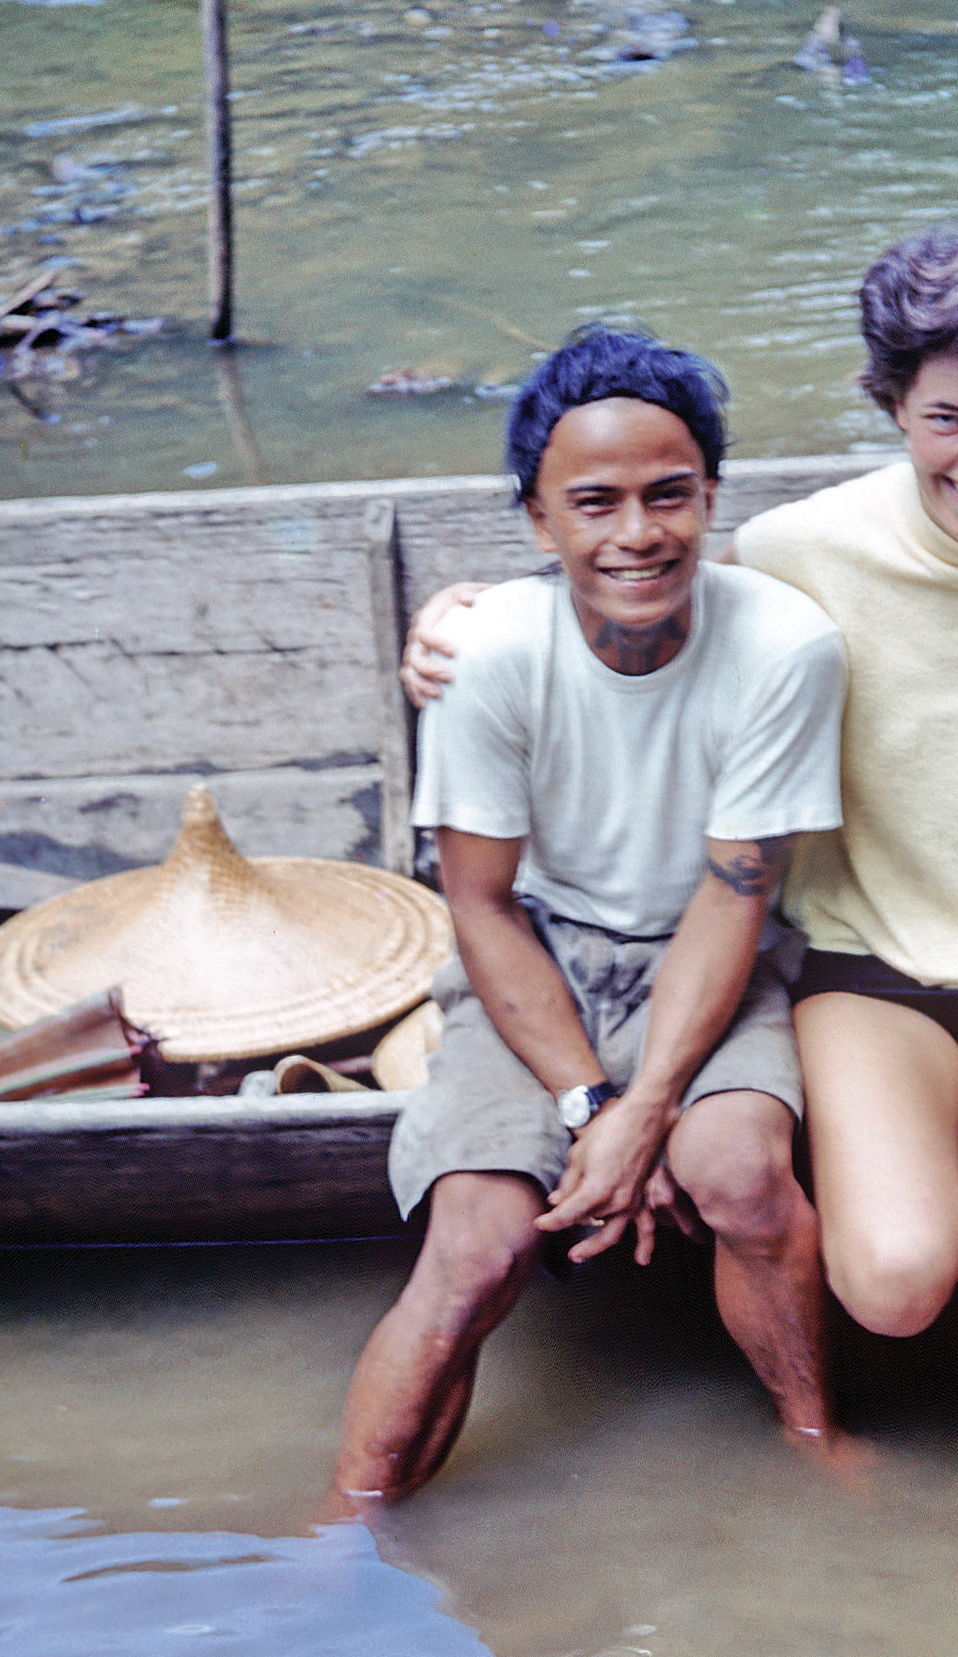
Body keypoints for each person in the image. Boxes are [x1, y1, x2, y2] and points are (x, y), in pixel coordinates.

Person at [398, 222, 958, 1353]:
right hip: (863, 973)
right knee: (891, 1286)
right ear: (893, 404)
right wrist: (459, 611)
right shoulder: (799, 549)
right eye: (946, 420)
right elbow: (627, 572)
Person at [333, 328, 848, 1506]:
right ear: (537, 520)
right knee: (477, 1244)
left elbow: (735, 893)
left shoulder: (782, 646)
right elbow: (479, 901)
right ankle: (341, 1530)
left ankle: (817, 1449)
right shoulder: (490, 653)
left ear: (711, 496)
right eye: (595, 503)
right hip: (538, 958)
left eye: (670, 496)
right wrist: (590, 1106)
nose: (636, 535)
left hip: (711, 958)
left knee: (741, 1179)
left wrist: (650, 1109)